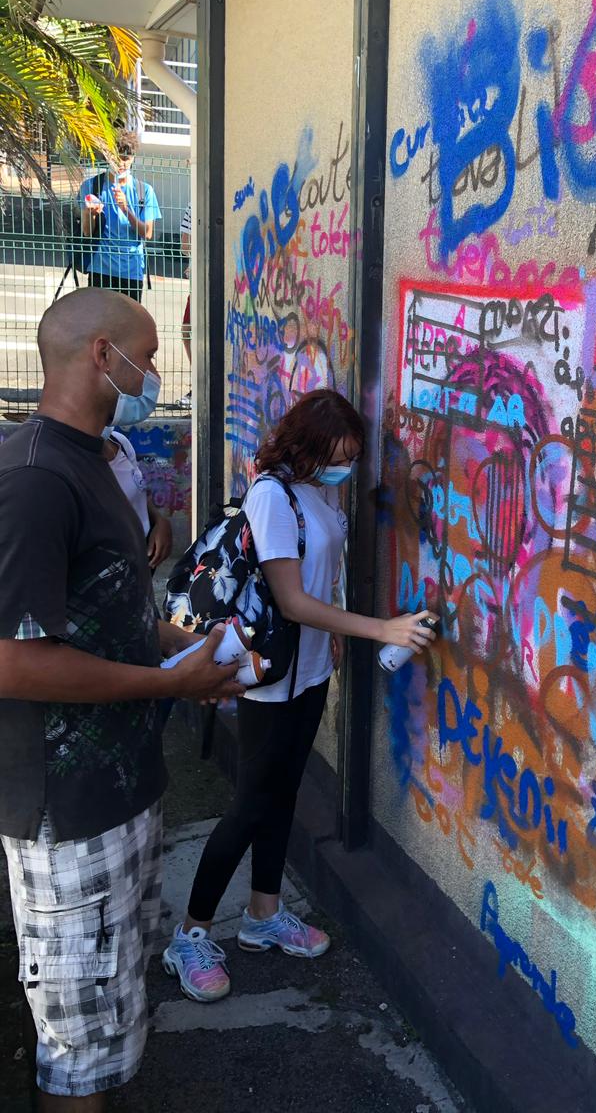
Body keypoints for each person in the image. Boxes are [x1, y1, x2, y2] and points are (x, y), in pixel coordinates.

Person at [0, 287, 243, 1111]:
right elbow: (15, 661)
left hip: (122, 790)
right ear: (102, 356)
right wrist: (170, 683)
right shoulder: (35, 479)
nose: (156, 373)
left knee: (110, 1018)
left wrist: (180, 646)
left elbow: (110, 605)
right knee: (77, 1046)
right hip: (66, 813)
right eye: (148, 355)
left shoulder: (96, 460)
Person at [162, 389, 436, 1002]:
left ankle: (263, 914)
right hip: (270, 678)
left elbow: (323, 568)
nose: (344, 468)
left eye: (351, 457)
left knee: (282, 794)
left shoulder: (318, 490)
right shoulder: (273, 495)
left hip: (308, 671)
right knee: (249, 806)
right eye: (335, 457)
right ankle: (189, 934)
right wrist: (379, 630)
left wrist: (333, 631)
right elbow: (290, 601)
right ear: (305, 447)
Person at [79, 131, 161, 303]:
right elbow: (87, 232)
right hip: (101, 268)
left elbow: (147, 233)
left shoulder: (144, 191)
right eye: (116, 158)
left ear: (133, 158)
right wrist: (91, 214)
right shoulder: (92, 186)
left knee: (128, 320)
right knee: (99, 319)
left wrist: (126, 209)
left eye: (126, 158)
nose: (121, 164)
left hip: (132, 270)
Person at [104, 427, 173, 570]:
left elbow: (138, 490)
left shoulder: (119, 442)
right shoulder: (67, 459)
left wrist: (159, 520)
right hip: (110, 568)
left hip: (142, 560)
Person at [178, 203, 192, 408]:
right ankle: (199, 382)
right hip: (199, 279)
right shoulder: (194, 203)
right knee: (188, 330)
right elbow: (185, 245)